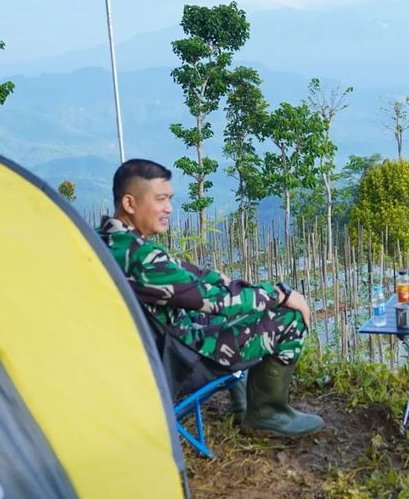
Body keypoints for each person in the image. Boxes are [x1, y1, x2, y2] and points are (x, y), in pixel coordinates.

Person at [98, 158, 323, 437]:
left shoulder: (104, 242)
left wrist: (226, 282)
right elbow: (220, 302)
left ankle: (241, 400)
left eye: (169, 199)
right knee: (287, 316)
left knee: (241, 306)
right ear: (130, 204)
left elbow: (185, 273)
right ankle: (267, 415)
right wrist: (281, 294)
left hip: (146, 352)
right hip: (178, 359)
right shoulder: (141, 258)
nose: (169, 208)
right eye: (160, 199)